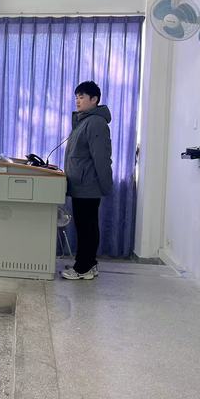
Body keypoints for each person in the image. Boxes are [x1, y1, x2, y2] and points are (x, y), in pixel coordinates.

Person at [61, 81, 113, 280]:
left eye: (82, 97)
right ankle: (87, 263)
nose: (77, 101)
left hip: (88, 185)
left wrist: (106, 186)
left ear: (94, 99)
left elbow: (101, 158)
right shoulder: (84, 121)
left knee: (87, 228)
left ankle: (84, 268)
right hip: (81, 185)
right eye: (76, 97)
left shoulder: (96, 123)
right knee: (84, 226)